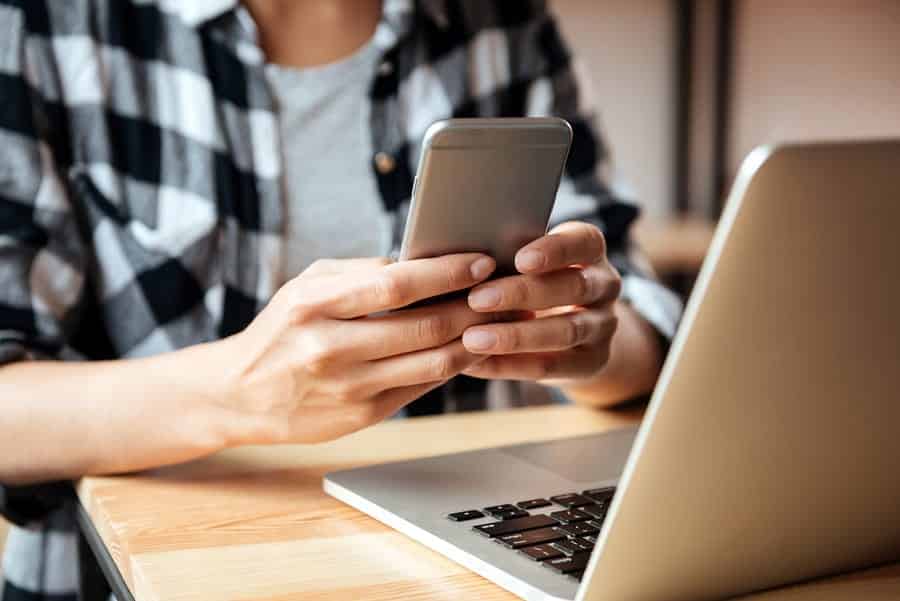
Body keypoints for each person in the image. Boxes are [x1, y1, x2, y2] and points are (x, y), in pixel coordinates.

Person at [0, 0, 682, 598]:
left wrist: (593, 343)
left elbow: (638, 312)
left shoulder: (504, 19)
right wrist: (238, 392)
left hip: (461, 563)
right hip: (147, 569)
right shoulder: (47, 24)